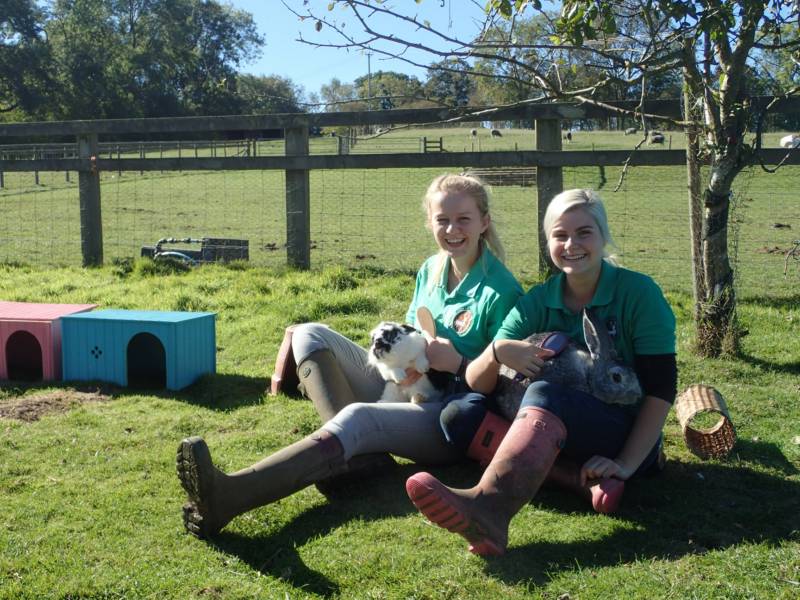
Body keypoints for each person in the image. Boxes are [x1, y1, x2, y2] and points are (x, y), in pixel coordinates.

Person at [176, 173, 523, 538]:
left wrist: (455, 366)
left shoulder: (501, 290)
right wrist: (399, 367)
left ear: (484, 222)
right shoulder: (430, 269)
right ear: (430, 222)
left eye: (463, 219)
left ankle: (231, 495)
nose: (452, 229)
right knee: (309, 334)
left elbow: (503, 391)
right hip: (402, 386)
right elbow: (409, 333)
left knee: (357, 417)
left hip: (447, 416)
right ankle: (357, 464)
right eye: (442, 219)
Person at [405, 188, 677, 556]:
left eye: (584, 233)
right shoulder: (538, 300)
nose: (571, 245)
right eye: (560, 235)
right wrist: (498, 351)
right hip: (561, 432)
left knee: (544, 392)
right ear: (548, 241)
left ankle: (489, 507)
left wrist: (626, 463)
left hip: (627, 432)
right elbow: (477, 382)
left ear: (603, 236)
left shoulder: (638, 293)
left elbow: (661, 390)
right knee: (460, 415)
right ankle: (578, 480)